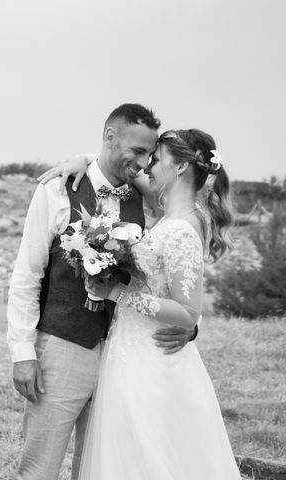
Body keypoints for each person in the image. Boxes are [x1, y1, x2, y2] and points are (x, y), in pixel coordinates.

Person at [7, 104, 196, 480]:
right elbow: (27, 274)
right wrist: (22, 351)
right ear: (110, 137)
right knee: (39, 468)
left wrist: (191, 322)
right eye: (137, 150)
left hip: (121, 356)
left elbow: (180, 231)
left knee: (100, 468)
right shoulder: (58, 190)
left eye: (149, 154)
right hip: (61, 348)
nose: (143, 162)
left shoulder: (143, 195)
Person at [76, 128, 240, 479]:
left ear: (180, 167)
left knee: (149, 458)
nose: (149, 166)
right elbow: (122, 170)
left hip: (151, 359)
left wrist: (116, 294)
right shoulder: (175, 214)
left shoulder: (182, 228)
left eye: (157, 159)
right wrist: (83, 161)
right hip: (134, 351)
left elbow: (188, 311)